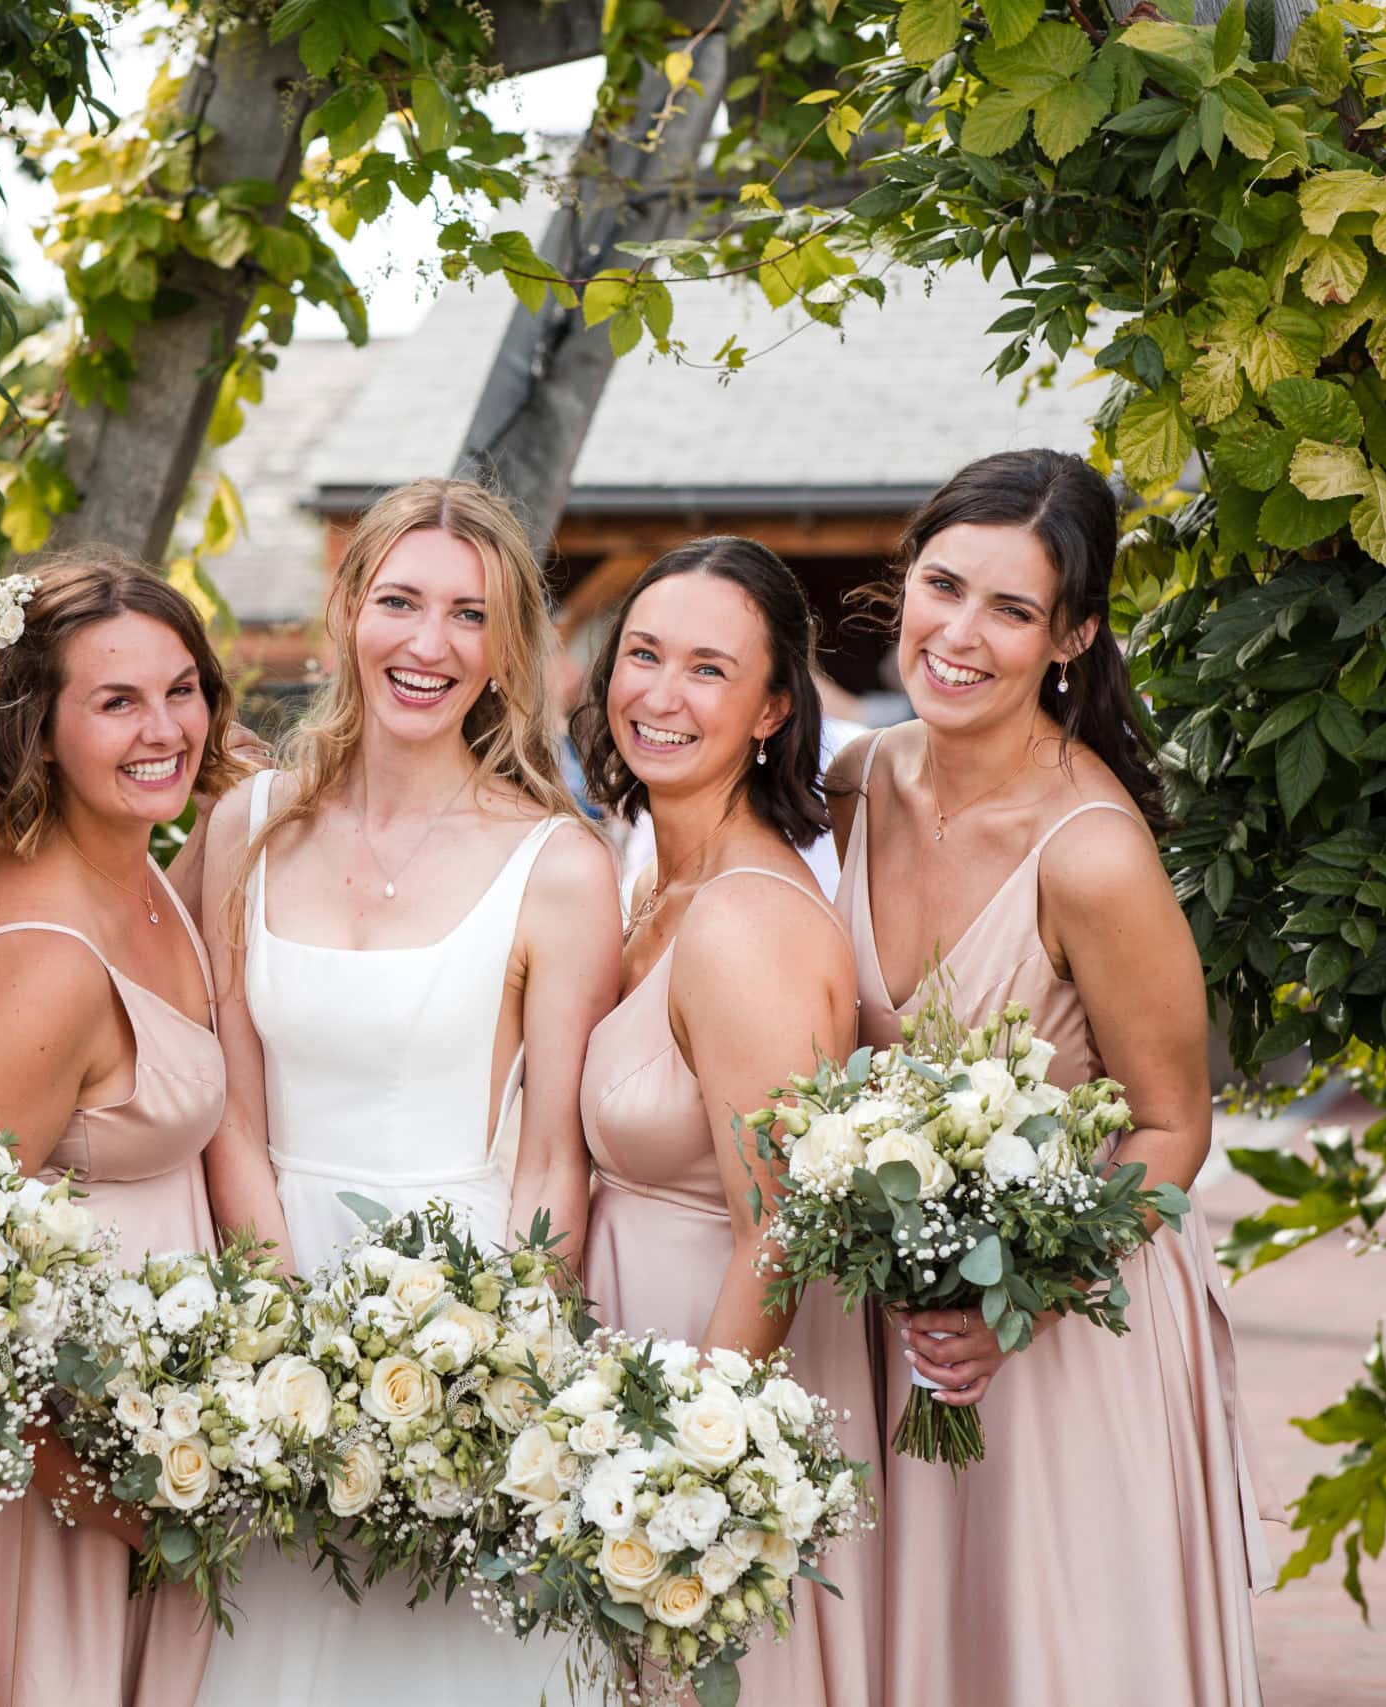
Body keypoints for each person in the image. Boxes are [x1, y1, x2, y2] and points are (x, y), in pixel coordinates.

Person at [825, 449, 1275, 1705]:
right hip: (905, 1334)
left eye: (1011, 610)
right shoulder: (852, 785)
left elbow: (1174, 1123)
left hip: (1068, 1335)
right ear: (904, 583)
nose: (959, 636)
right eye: (943, 586)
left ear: (1070, 636)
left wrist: (1022, 1298)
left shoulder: (1091, 857)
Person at [190, 477, 622, 1707]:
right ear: (345, 613)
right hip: (274, 1301)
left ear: (504, 653)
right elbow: (230, 1100)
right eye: (398, 603)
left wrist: (495, 1385)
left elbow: (552, 1162)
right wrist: (279, 1335)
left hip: (467, 1314)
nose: (426, 645)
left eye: (467, 617)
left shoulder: (560, 866)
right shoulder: (248, 828)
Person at [0, 549, 244, 1707]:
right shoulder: (43, 962)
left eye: (181, 687)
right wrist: (111, 1501)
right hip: (57, 1501)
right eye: (116, 701)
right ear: (38, 728)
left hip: (148, 1453)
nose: (166, 727)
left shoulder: (134, 866)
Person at [567, 538, 882, 1703]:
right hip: (629, 1362)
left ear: (771, 710)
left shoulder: (745, 919)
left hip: (707, 1409)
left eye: (707, 669)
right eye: (642, 654)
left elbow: (779, 1229)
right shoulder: (654, 879)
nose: (658, 693)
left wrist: (679, 1498)